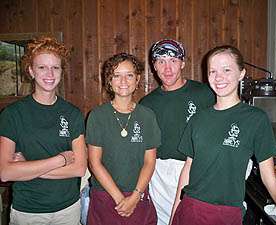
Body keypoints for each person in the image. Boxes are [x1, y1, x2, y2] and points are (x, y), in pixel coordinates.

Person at [170, 45, 276, 225]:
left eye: (226, 70)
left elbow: (270, 179)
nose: (218, 77)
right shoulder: (198, 119)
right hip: (191, 209)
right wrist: (175, 213)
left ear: (241, 73)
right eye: (212, 71)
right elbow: (188, 169)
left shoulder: (255, 119)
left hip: (227, 213)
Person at [0, 36, 87, 225]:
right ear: (31, 71)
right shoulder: (12, 114)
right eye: (42, 67)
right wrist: (60, 160)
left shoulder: (72, 114)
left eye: (55, 67)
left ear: (61, 72)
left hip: (68, 209)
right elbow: (5, 172)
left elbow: (79, 168)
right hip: (28, 212)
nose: (50, 73)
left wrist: (26, 168)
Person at [139, 39, 215, 225]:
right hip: (161, 177)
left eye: (173, 60)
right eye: (161, 61)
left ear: (182, 63)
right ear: (154, 66)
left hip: (199, 172)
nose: (167, 68)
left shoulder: (205, 93)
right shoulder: (147, 104)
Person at [86, 53, 161, 225]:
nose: (123, 81)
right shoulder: (97, 116)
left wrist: (135, 197)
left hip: (137, 194)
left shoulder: (147, 116)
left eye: (129, 75)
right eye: (116, 76)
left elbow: (149, 162)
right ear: (109, 81)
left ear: (137, 79)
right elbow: (95, 163)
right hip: (105, 195)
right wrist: (120, 199)